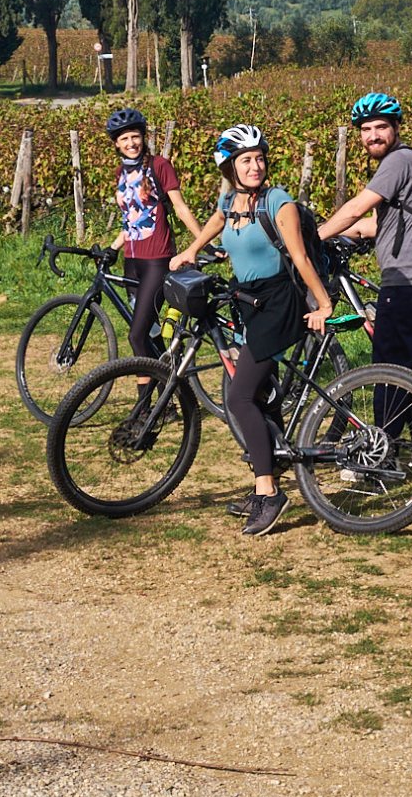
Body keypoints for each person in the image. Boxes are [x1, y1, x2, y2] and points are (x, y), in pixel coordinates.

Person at [171, 125, 333, 536]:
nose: (256, 165)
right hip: (248, 301)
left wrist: (324, 304)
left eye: (259, 158)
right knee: (263, 396)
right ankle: (266, 486)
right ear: (230, 167)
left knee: (240, 398)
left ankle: (269, 492)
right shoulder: (232, 198)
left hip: (279, 303)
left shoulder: (280, 203)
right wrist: (191, 250)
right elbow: (217, 219)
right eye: (246, 160)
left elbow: (299, 258)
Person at [317, 93, 412, 426]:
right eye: (366, 129)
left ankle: (383, 447)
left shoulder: (398, 161)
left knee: (388, 365)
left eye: (381, 127)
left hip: (409, 280)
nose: (373, 135)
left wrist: (310, 239)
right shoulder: (407, 161)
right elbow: (379, 222)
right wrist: (346, 233)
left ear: (396, 127)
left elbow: (355, 208)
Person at [106, 108, 202, 360]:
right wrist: (113, 247)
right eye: (124, 139)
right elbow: (132, 220)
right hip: (131, 263)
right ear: (116, 143)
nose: (131, 143)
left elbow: (180, 207)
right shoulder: (121, 174)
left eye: (135, 136)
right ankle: (173, 388)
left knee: (136, 337)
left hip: (157, 261)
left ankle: (146, 400)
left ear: (143, 137)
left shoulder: (160, 165)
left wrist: (204, 242)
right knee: (150, 332)